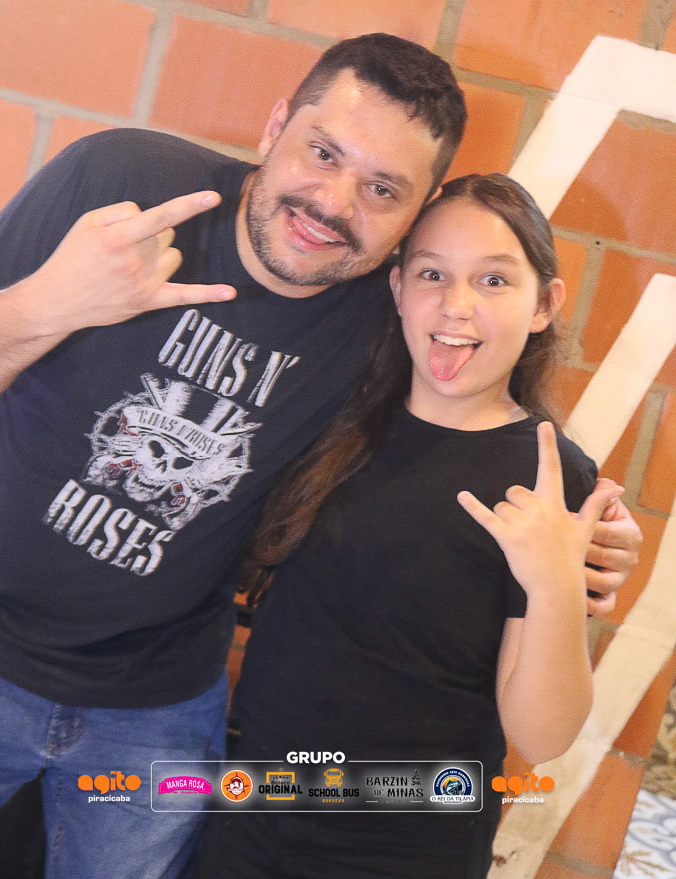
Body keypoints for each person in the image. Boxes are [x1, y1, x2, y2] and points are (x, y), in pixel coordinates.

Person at [0, 35, 639, 878]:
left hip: (158, 710)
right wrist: (49, 303)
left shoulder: (387, 322)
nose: (333, 202)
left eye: (382, 189)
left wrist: (583, 555)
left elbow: (470, 454)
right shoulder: (123, 188)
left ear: (409, 219)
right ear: (276, 125)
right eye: (323, 152)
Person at [194, 173, 628, 879]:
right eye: (432, 274)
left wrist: (553, 583)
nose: (456, 304)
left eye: (494, 281)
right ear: (397, 288)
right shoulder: (330, 417)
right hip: (253, 821)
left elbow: (543, 735)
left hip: (409, 847)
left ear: (544, 305)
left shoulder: (551, 476)